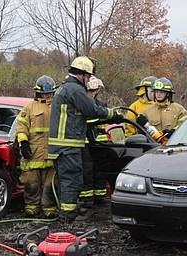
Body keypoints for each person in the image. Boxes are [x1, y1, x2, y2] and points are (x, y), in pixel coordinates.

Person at [48, 56, 123, 222]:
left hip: (63, 146)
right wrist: (113, 114)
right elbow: (92, 109)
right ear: (82, 75)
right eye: (88, 77)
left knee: (69, 179)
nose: (88, 81)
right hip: (68, 145)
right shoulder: (75, 90)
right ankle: (67, 216)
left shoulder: (65, 88)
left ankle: (69, 211)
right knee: (71, 179)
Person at [15, 75, 58, 218]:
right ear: (38, 92)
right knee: (31, 182)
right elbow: (21, 128)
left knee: (49, 184)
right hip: (33, 152)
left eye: (50, 92)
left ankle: (49, 208)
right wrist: (24, 143)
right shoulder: (29, 107)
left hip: (52, 152)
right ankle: (32, 207)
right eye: (45, 92)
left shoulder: (57, 106)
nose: (48, 95)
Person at [79, 76, 110, 211]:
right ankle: (86, 200)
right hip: (85, 145)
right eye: (90, 91)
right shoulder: (82, 106)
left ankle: (100, 197)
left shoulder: (102, 105)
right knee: (86, 172)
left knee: (100, 172)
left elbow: (111, 118)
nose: (92, 94)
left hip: (100, 144)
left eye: (94, 91)